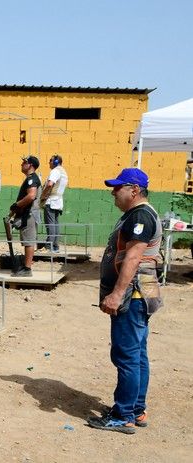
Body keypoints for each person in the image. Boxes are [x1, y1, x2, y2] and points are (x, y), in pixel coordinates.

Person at [88, 167, 163, 434]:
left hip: (133, 294)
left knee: (127, 356)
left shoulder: (140, 216)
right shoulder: (139, 214)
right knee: (137, 354)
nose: (113, 192)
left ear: (134, 189)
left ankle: (124, 415)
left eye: (118, 187)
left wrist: (117, 294)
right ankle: (136, 409)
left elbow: (132, 258)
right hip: (143, 292)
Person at [9, 155, 41, 277]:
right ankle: (26, 267)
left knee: (29, 241)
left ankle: (27, 269)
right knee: (27, 240)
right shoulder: (30, 178)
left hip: (29, 214)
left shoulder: (32, 179)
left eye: (24, 162)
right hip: (28, 214)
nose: (22, 164)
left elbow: (31, 196)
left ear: (31, 165)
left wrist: (17, 205)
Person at [38, 154, 68, 252]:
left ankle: (48, 246)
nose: (49, 162)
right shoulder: (63, 172)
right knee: (55, 224)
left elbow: (50, 184)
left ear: (55, 162)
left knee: (50, 224)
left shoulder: (55, 171)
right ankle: (55, 246)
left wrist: (43, 195)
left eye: (50, 160)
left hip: (51, 201)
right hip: (58, 201)